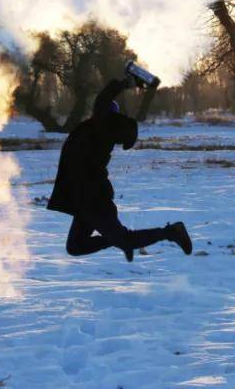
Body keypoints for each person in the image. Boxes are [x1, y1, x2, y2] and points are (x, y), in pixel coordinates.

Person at [46, 73, 193, 262]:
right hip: (84, 199)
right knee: (75, 246)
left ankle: (172, 232)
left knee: (125, 239)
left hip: (94, 199)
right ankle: (121, 242)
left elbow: (102, 100)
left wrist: (124, 83)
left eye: (100, 111)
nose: (95, 112)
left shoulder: (101, 128)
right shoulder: (97, 131)